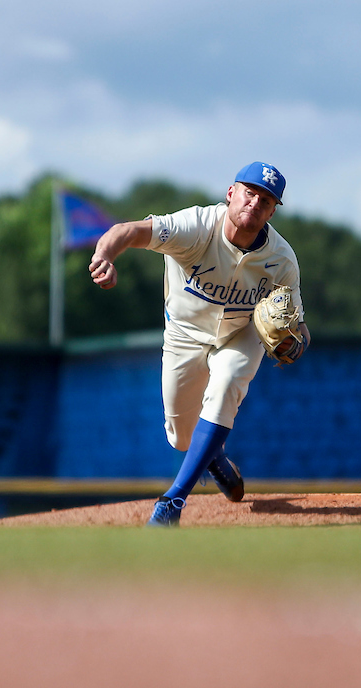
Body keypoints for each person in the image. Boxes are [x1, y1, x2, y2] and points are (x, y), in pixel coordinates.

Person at [89, 162, 310, 526]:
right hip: (184, 334)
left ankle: (172, 502)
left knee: (226, 387)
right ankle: (215, 458)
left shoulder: (282, 259)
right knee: (180, 438)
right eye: (249, 192)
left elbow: (299, 326)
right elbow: (127, 230)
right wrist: (104, 257)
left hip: (242, 334)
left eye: (266, 200)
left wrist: (296, 344)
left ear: (273, 211)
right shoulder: (195, 227)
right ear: (230, 193)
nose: (255, 203)